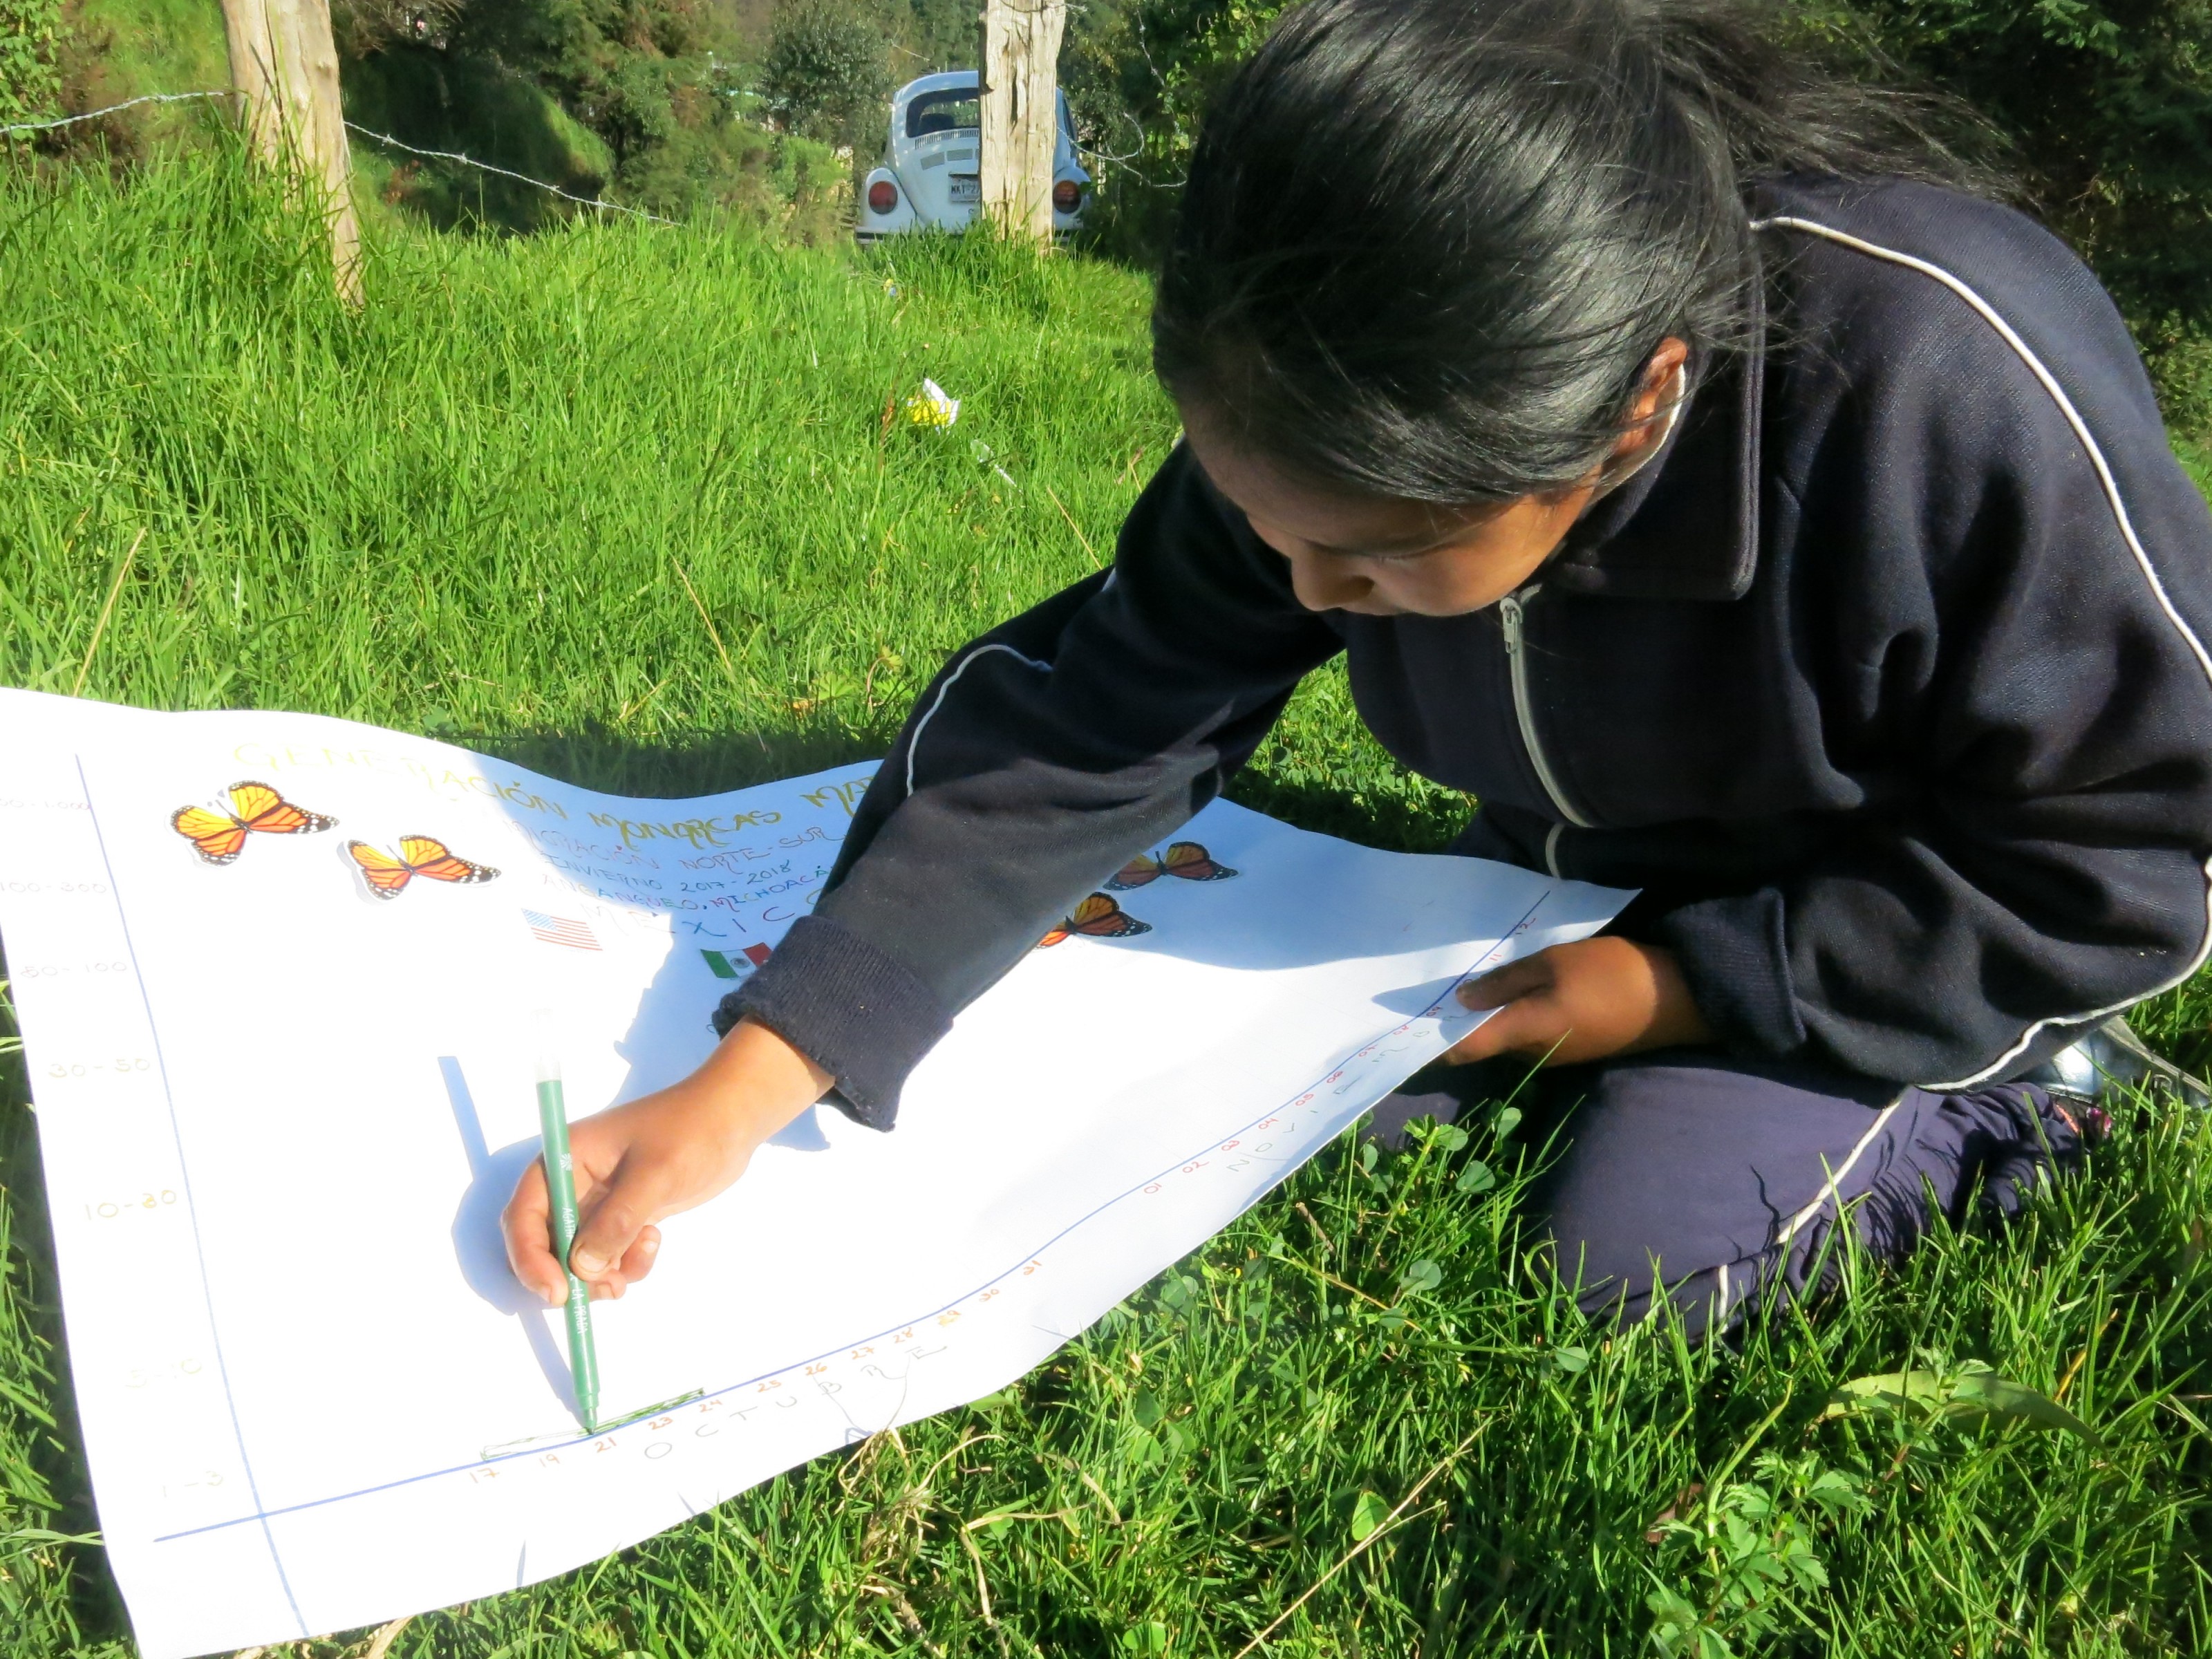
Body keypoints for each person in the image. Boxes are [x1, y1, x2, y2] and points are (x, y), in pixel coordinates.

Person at [505, 0, 2212, 1335]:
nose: (1307, 592)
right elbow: (1109, 708)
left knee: (1634, 1271)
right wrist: (765, 1069)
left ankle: (2033, 1098)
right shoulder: (1336, 406)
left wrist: (1682, 990)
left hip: (1893, 915)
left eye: (1379, 562)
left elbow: (2127, 845)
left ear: (1635, 414)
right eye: (1271, 526)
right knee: (1152, 1129)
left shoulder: (1937, 381)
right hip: (1548, 888)